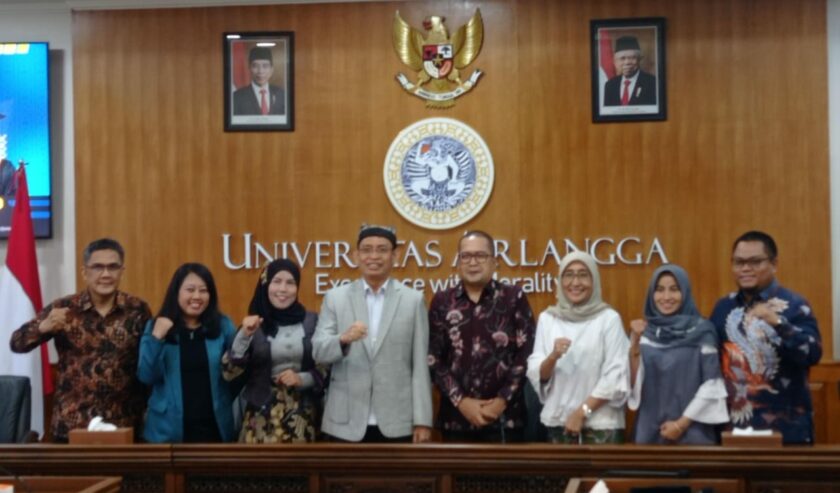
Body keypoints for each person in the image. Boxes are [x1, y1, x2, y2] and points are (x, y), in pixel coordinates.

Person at [10, 238, 151, 442]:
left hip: (123, 424)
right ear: (85, 272)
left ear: (122, 271)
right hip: (72, 424)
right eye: (97, 267)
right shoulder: (65, 308)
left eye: (112, 267)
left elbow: (149, 361)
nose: (105, 274)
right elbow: (17, 343)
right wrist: (43, 327)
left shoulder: (137, 310)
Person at [312, 224, 432, 443]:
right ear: (356, 256)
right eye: (366, 250)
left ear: (395, 255)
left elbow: (420, 367)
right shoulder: (335, 298)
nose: (373, 256)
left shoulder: (413, 300)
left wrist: (422, 420)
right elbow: (318, 352)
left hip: (398, 421)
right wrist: (343, 339)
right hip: (345, 422)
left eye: (382, 249)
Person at [710, 231, 822, 444]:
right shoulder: (723, 308)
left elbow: (812, 354)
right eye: (739, 262)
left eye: (755, 262)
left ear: (774, 263)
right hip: (733, 427)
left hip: (786, 429)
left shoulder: (795, 305)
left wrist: (779, 324)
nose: (745, 268)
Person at [428, 230, 536, 442]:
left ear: (494, 262)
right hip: (456, 420)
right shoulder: (442, 301)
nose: (472, 262)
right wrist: (462, 402)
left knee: (506, 477)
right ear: (458, 262)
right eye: (466, 256)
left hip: (507, 420)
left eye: (480, 255)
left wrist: (501, 401)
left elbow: (526, 354)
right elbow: (433, 359)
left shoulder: (513, 298)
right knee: (454, 476)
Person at [526, 251, 629, 444]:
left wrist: (583, 412)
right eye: (569, 274)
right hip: (559, 424)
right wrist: (553, 357)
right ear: (560, 280)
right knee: (562, 476)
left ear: (594, 280)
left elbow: (616, 375)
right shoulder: (548, 319)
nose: (575, 282)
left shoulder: (608, 319)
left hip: (601, 426)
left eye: (583, 274)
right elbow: (539, 374)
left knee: (599, 476)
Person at [224, 259, 327, 443]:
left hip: (302, 419)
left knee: (302, 470)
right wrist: (244, 336)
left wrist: (302, 378)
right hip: (260, 421)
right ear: (266, 285)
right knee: (260, 471)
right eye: (277, 281)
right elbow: (228, 373)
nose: (283, 289)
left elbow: (327, 366)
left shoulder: (312, 322)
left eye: (290, 283)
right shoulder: (253, 324)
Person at [628, 265, 728, 445]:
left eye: (674, 289)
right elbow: (633, 384)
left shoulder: (703, 331)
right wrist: (634, 342)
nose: (666, 297)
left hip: (692, 431)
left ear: (685, 293)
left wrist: (681, 424)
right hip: (649, 431)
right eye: (659, 290)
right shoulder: (644, 332)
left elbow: (712, 383)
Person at [137, 263, 237, 443]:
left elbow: (236, 374)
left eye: (203, 290)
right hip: (167, 432)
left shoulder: (223, 326)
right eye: (190, 290)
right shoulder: (156, 326)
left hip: (215, 429)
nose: (197, 296)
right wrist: (157, 339)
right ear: (176, 293)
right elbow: (146, 375)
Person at [604, 36, 657, 106]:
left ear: (639, 60)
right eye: (622, 58)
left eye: (632, 58)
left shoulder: (652, 82)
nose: (627, 62)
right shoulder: (610, 85)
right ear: (615, 62)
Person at [232, 46, 285, 116]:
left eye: (265, 66)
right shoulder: (236, 97)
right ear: (249, 68)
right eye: (255, 66)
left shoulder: (282, 95)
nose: (260, 71)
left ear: (272, 69)